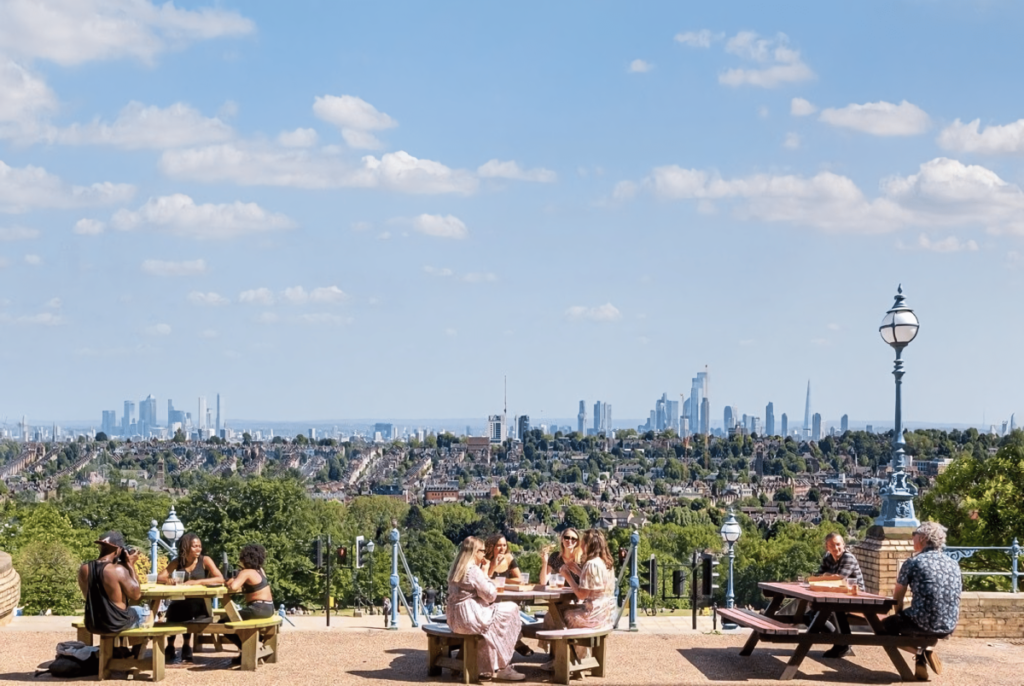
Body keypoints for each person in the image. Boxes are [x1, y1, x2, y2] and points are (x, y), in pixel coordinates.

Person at [882, 521, 961, 675]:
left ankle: (921, 652)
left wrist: (898, 615)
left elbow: (898, 595)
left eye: (914, 534)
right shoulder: (953, 564)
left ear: (923, 537)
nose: (912, 537)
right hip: (949, 624)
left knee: (883, 628)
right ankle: (923, 655)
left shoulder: (913, 562)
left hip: (921, 622)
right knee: (918, 624)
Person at [446, 537, 525, 681]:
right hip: (470, 618)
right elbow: (490, 595)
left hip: (455, 620)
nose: (484, 554)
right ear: (475, 552)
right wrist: (485, 572)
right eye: (482, 551)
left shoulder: (456, 568)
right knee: (512, 609)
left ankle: (486, 666)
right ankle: (503, 666)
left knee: (493, 624)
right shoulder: (473, 570)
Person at [544, 529, 615, 670]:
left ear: (589, 545)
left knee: (555, 616)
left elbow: (582, 595)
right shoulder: (605, 563)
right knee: (559, 613)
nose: (581, 546)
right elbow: (594, 583)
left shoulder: (591, 564)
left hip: (592, 615)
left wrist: (567, 576)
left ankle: (563, 661)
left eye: (583, 543)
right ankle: (571, 657)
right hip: (605, 614)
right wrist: (577, 570)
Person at [158, 532, 224, 663]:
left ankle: (186, 645)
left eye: (199, 546)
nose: (198, 549)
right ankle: (170, 646)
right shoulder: (178, 562)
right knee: (174, 607)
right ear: (186, 547)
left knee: (186, 609)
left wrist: (197, 582)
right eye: (195, 546)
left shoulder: (205, 560)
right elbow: (160, 577)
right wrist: (169, 580)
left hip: (200, 602)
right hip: (181, 600)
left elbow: (220, 578)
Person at [78, 531, 144, 635]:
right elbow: (136, 595)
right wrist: (130, 565)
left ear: (100, 547)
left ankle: (121, 645)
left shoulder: (84, 569)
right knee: (144, 612)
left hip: (93, 623)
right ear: (118, 549)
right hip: (115, 624)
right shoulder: (117, 570)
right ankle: (139, 646)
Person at [222, 544, 275, 663]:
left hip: (258, 608)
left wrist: (229, 581)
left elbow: (233, 587)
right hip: (269, 607)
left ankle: (248, 649)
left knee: (224, 622)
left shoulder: (246, 572)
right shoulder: (260, 571)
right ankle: (258, 641)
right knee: (237, 619)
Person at [816, 532, 865, 659]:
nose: (836, 548)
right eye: (832, 545)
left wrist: (827, 576)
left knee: (835, 609)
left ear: (843, 544)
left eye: (838, 544)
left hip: (856, 598)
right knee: (810, 616)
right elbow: (817, 578)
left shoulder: (848, 558)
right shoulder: (827, 558)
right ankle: (841, 641)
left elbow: (838, 579)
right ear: (827, 547)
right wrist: (827, 577)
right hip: (835, 596)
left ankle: (843, 642)